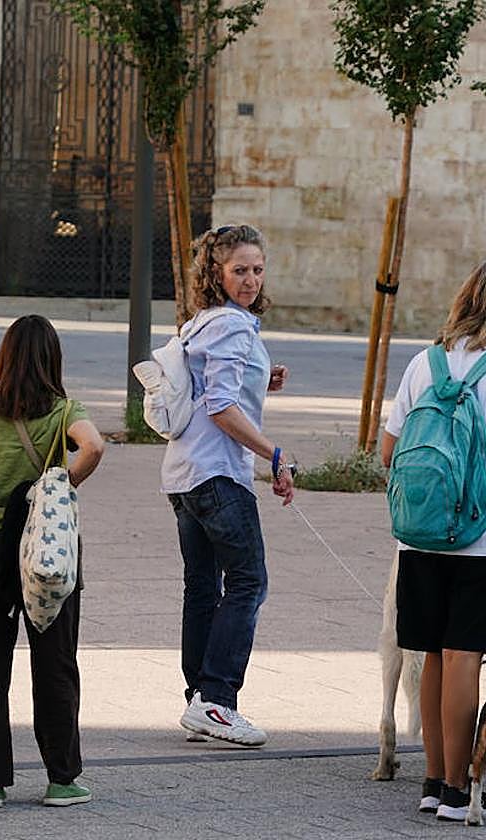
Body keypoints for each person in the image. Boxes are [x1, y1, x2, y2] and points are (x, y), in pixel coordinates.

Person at [379, 257, 486, 822]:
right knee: (465, 658)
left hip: (420, 540)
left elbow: (388, 452)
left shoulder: (424, 363)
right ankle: (460, 790)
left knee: (431, 655)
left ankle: (432, 781)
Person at [0, 314, 105, 809]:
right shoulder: (64, 411)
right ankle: (61, 779)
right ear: (52, 360)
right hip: (48, 548)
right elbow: (95, 445)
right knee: (55, 659)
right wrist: (62, 482)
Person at [162, 224, 295, 748]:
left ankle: (199, 698)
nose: (250, 280)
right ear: (215, 273)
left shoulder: (200, 324)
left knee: (202, 589)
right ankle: (217, 701)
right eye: (239, 270)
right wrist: (275, 455)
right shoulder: (235, 327)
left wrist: (261, 379)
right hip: (219, 475)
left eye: (258, 270)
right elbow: (219, 406)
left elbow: (213, 387)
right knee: (248, 583)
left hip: (183, 474)